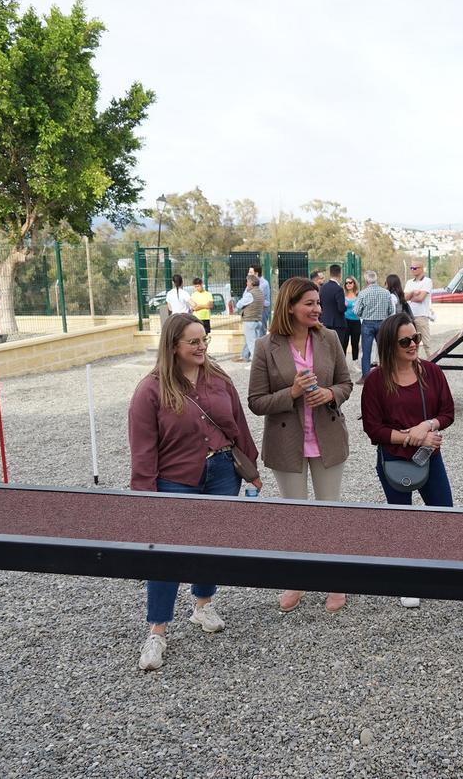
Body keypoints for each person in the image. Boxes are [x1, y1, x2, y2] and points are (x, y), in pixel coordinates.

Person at [128, 313, 261, 671]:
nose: (202, 347)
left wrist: (251, 468)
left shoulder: (219, 379)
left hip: (222, 472)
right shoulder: (150, 390)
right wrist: (145, 495)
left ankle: (203, 603)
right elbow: (143, 449)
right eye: (194, 342)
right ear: (174, 346)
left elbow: (238, 425)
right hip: (174, 479)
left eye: (205, 339)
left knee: (211, 543)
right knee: (167, 553)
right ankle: (157, 630)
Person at [248, 277, 354, 613]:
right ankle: (297, 579)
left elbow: (346, 382)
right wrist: (291, 394)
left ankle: (336, 579)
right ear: (290, 306)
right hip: (286, 443)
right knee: (296, 516)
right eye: (310, 303)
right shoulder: (266, 346)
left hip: (328, 439)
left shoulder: (330, 338)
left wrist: (331, 394)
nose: (318, 309)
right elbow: (256, 401)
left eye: (318, 303)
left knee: (328, 514)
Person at [361, 313, 456, 609]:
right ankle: (407, 578)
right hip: (394, 458)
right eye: (405, 340)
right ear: (390, 344)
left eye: (415, 337)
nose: (413, 344)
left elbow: (448, 412)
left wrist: (428, 425)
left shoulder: (431, 372)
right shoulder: (376, 380)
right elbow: (372, 428)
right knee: (403, 520)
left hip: (429, 457)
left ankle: (435, 569)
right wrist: (412, 437)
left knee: (443, 513)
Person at [353, 269, 395, 381]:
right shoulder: (386, 292)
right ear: (376, 279)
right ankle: (386, 374)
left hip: (367, 323)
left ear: (366, 280)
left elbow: (356, 311)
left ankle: (366, 377)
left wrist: (364, 314)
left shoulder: (363, 293)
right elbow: (391, 310)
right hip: (382, 323)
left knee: (366, 351)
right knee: (383, 350)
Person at [404, 260, 435, 357]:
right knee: (413, 343)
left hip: (421, 315)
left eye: (415, 268)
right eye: (411, 268)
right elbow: (404, 298)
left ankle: (432, 362)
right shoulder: (409, 282)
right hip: (410, 316)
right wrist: (414, 292)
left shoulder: (427, 281)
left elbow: (421, 298)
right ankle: (414, 363)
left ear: (421, 269)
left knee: (426, 342)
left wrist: (411, 296)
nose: (412, 270)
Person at [319, 264, 348, 350]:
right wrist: (345, 305)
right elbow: (341, 308)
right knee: (338, 349)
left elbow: (320, 304)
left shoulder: (323, 288)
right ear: (340, 274)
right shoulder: (338, 289)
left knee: (326, 348)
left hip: (325, 322)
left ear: (330, 273)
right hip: (338, 324)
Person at [235, 276, 263, 363]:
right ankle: (248, 357)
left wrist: (246, 291)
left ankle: (256, 363)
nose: (246, 284)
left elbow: (239, 305)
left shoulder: (250, 294)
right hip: (258, 320)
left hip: (249, 321)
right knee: (255, 343)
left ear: (251, 283)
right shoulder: (260, 292)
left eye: (247, 282)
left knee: (251, 344)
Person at [247, 264, 271, 336]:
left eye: (250, 272)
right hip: (252, 311)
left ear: (256, 274)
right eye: (249, 272)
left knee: (261, 333)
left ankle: (261, 347)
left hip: (262, 310)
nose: (248, 274)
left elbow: (256, 297)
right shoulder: (250, 282)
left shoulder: (264, 284)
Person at [342, 276, 361, 362]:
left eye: (350, 282)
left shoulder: (359, 295)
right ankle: (343, 363)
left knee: (355, 343)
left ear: (354, 283)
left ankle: (355, 362)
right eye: (346, 283)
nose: (348, 284)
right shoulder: (342, 295)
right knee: (344, 343)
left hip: (356, 322)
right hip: (345, 321)